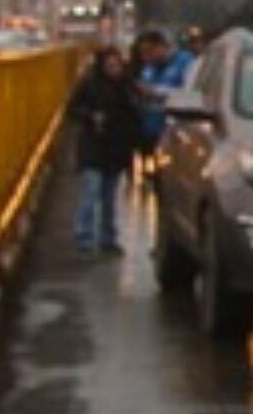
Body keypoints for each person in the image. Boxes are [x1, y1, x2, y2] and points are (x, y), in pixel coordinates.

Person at [70, 47, 143, 255]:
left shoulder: (126, 87)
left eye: (117, 65)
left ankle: (107, 238)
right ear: (101, 66)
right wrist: (91, 116)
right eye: (110, 65)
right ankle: (85, 237)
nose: (115, 69)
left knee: (109, 196)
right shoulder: (89, 86)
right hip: (93, 147)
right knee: (91, 191)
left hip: (114, 149)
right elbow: (72, 109)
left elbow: (134, 117)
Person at [135, 29, 196, 159]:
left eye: (149, 51)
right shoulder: (149, 68)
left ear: (162, 46)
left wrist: (156, 92)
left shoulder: (185, 62)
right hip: (150, 132)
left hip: (174, 133)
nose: (146, 57)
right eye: (143, 53)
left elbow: (190, 94)